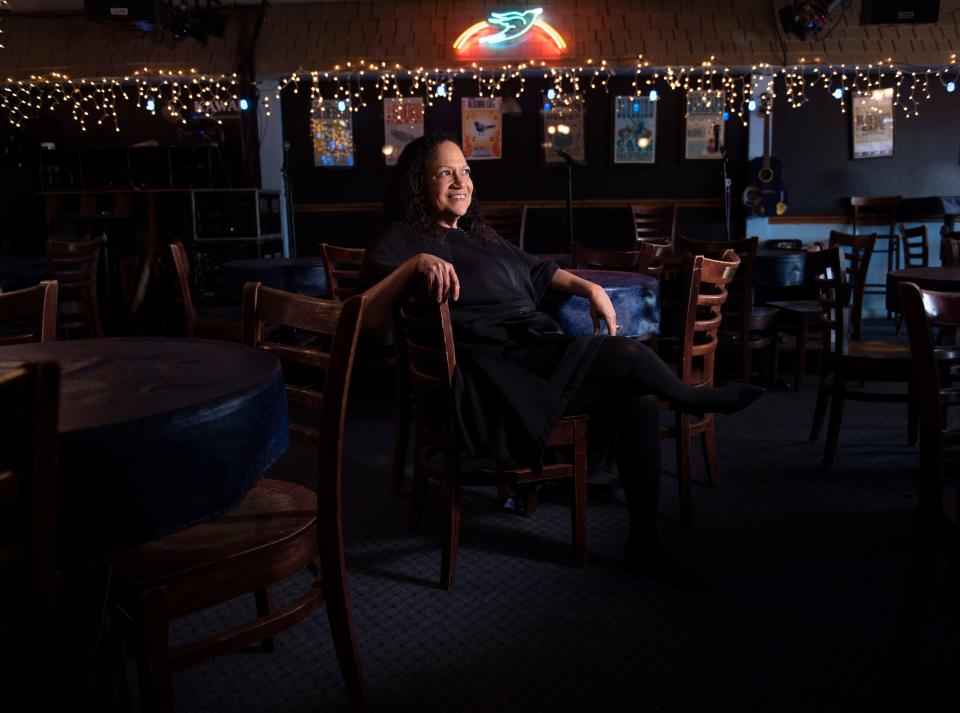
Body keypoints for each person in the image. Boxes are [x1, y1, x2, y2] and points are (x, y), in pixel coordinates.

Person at [358, 132, 763, 589]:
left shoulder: (477, 235)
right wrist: (414, 266)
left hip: (530, 355)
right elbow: (363, 318)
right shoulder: (403, 240)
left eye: (465, 171)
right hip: (492, 381)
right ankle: (696, 399)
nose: (461, 182)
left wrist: (589, 289)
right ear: (418, 183)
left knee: (638, 398)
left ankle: (644, 546)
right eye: (446, 172)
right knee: (628, 353)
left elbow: (539, 270)